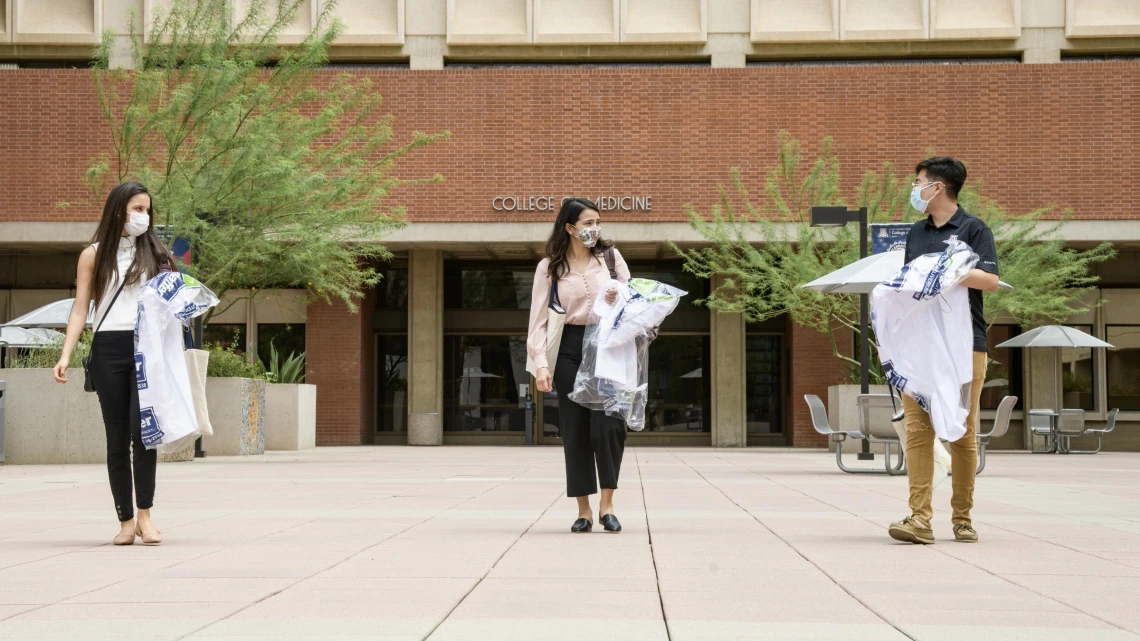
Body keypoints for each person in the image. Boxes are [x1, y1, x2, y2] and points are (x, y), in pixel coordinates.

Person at [53, 181, 173, 546]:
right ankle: (125, 520)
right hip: (108, 347)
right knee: (117, 438)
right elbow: (80, 309)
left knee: (143, 435)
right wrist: (66, 355)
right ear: (118, 209)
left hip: (145, 347)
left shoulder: (156, 254)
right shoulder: (94, 254)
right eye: (137, 208)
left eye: (147, 210)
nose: (144, 216)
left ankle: (146, 517)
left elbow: (171, 307)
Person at [889, 157, 1000, 545]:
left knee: (961, 432)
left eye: (918, 182)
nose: (914, 189)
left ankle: (962, 519)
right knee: (918, 431)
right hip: (921, 347)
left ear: (938, 187)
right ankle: (919, 519)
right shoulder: (915, 234)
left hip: (966, 346)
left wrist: (948, 271)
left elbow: (989, 280)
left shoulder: (974, 229)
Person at [529, 198, 631, 533]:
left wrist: (618, 300)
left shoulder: (612, 259)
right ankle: (584, 509)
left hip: (608, 347)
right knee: (575, 430)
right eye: (587, 223)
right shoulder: (550, 267)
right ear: (570, 228)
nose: (594, 228)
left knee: (610, 426)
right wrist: (541, 363)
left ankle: (608, 504)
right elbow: (539, 319)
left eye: (597, 221)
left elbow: (632, 306)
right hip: (571, 349)